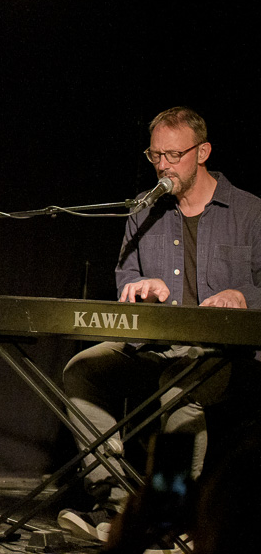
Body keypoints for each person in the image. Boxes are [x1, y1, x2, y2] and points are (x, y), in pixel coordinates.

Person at [57, 106, 261, 544]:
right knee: (82, 370)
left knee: (179, 385)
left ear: (202, 152)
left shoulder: (250, 211)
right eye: (155, 155)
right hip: (158, 347)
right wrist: (141, 288)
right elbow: (126, 276)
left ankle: (170, 524)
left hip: (228, 357)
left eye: (173, 155)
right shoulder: (144, 210)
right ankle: (117, 506)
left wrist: (243, 296)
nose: (163, 165)